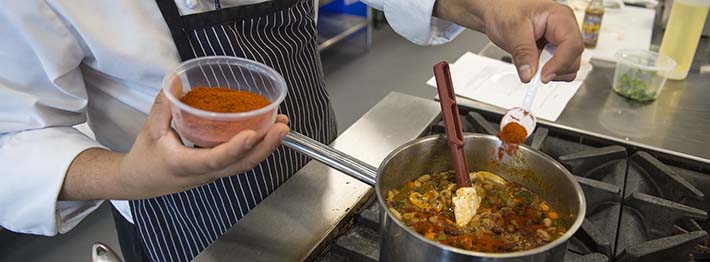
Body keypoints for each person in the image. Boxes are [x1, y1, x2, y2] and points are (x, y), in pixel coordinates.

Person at [0, 0, 583, 261]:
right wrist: (128, 174)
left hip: (314, 175)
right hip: (181, 219)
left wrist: (483, 5)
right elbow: (13, 141)